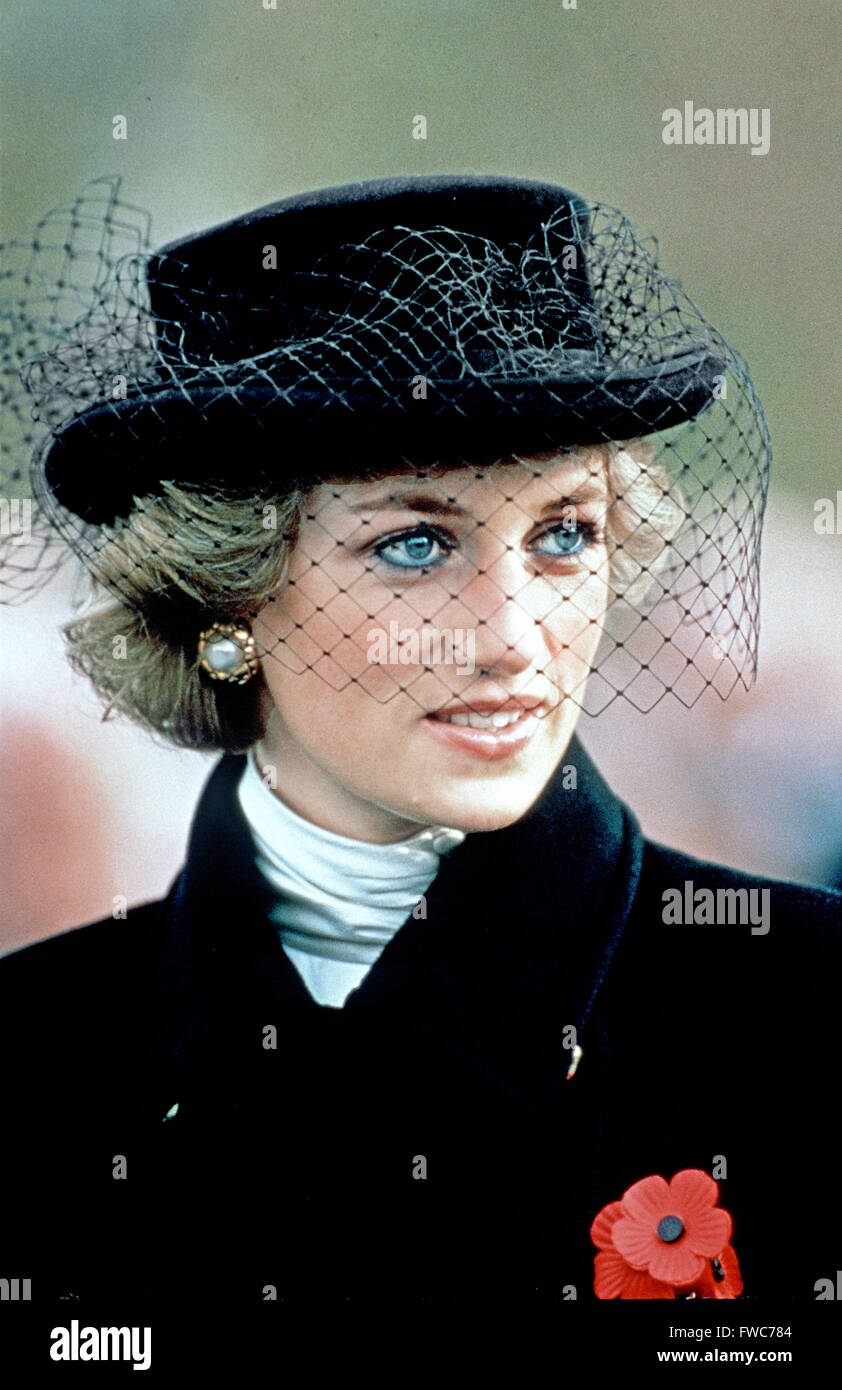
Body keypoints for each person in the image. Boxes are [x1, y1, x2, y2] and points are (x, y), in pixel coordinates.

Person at [0, 174, 839, 1314]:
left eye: (562, 534)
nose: (510, 638)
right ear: (228, 599)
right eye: (411, 545)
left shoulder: (804, 1011)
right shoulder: (35, 1052)